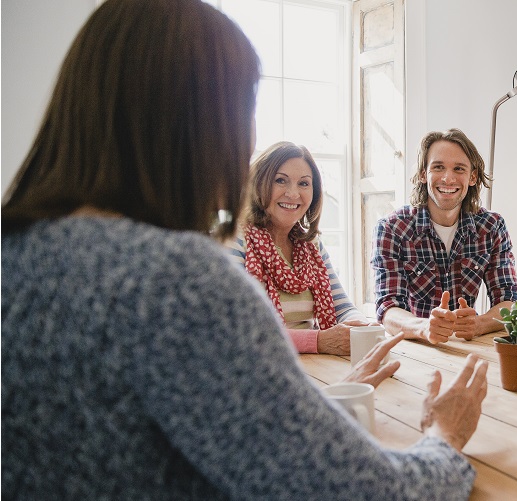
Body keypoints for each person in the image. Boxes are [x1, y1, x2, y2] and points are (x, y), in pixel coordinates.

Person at [0, 0, 487, 498]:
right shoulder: (176, 282)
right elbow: (360, 491)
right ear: (198, 124)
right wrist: (445, 438)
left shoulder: (13, 255)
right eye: (243, 109)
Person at [372, 128, 517, 344]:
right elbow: (387, 310)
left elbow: (510, 301)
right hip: (415, 348)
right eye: (438, 167)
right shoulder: (392, 228)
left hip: (469, 348)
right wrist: (425, 327)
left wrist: (480, 324)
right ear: (424, 174)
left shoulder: (491, 226)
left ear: (472, 177)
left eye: (458, 169)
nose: (448, 178)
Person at [228, 141, 374, 356]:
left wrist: (362, 328)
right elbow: (238, 330)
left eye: (304, 183)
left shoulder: (312, 245)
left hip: (316, 367)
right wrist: (318, 341)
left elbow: (342, 308)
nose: (293, 193)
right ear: (259, 184)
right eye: (280, 180)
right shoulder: (235, 241)